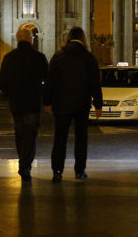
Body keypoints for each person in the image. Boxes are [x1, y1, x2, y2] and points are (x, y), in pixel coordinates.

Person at [44, 26, 103, 182]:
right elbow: (95, 83)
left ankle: (57, 171)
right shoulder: (89, 58)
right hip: (81, 104)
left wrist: (47, 102)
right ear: (83, 39)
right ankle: (79, 170)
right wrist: (98, 105)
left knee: (60, 138)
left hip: (61, 104)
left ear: (68, 38)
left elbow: (50, 82)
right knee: (81, 138)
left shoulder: (58, 56)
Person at [0, 25, 48, 182]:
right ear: (31, 39)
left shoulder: (9, 58)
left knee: (20, 134)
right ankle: (25, 165)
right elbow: (48, 80)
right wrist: (44, 96)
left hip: (16, 103)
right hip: (33, 103)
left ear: (17, 39)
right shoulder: (39, 58)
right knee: (31, 135)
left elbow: (1, 82)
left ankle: (24, 163)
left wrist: (10, 93)